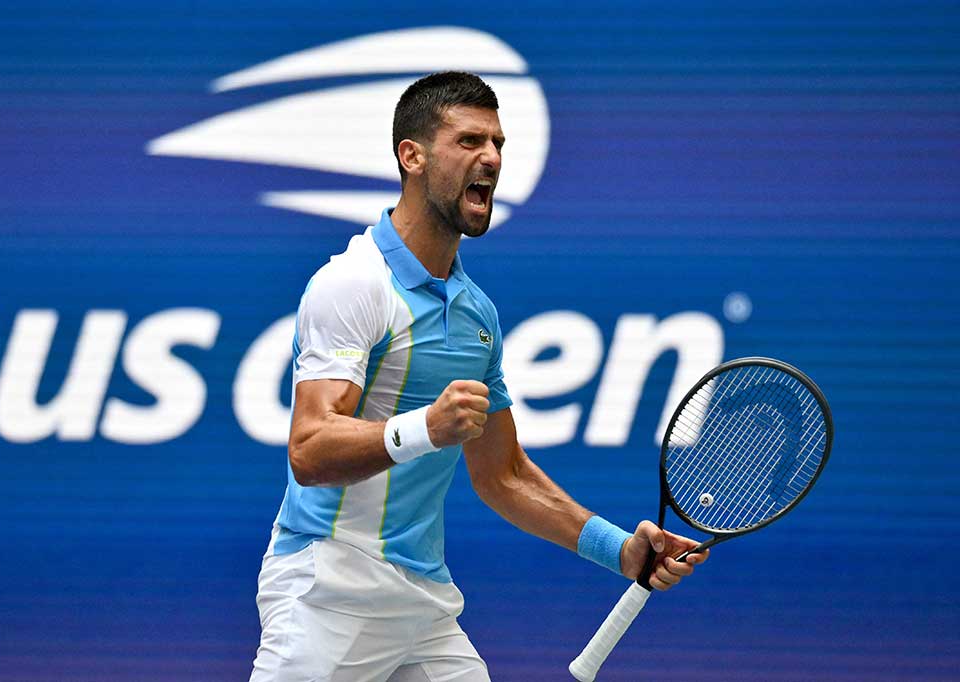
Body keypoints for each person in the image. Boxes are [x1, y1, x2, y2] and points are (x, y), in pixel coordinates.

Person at [249, 71, 709, 682]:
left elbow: (504, 474)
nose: (490, 158)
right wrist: (426, 428)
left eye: (497, 143)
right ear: (410, 157)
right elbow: (309, 449)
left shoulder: (477, 315)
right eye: (469, 141)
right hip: (329, 589)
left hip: (423, 602)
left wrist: (620, 549)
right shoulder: (352, 284)